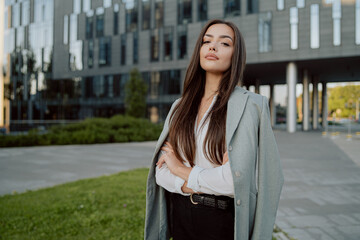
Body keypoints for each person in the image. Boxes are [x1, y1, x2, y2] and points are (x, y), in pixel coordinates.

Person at [144, 19, 284, 240]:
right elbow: (160, 173)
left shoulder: (251, 106)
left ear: (235, 55)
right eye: (207, 41)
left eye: (225, 43)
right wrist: (207, 180)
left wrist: (180, 169)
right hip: (180, 217)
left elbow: (234, 182)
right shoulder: (180, 106)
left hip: (221, 222)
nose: (212, 47)